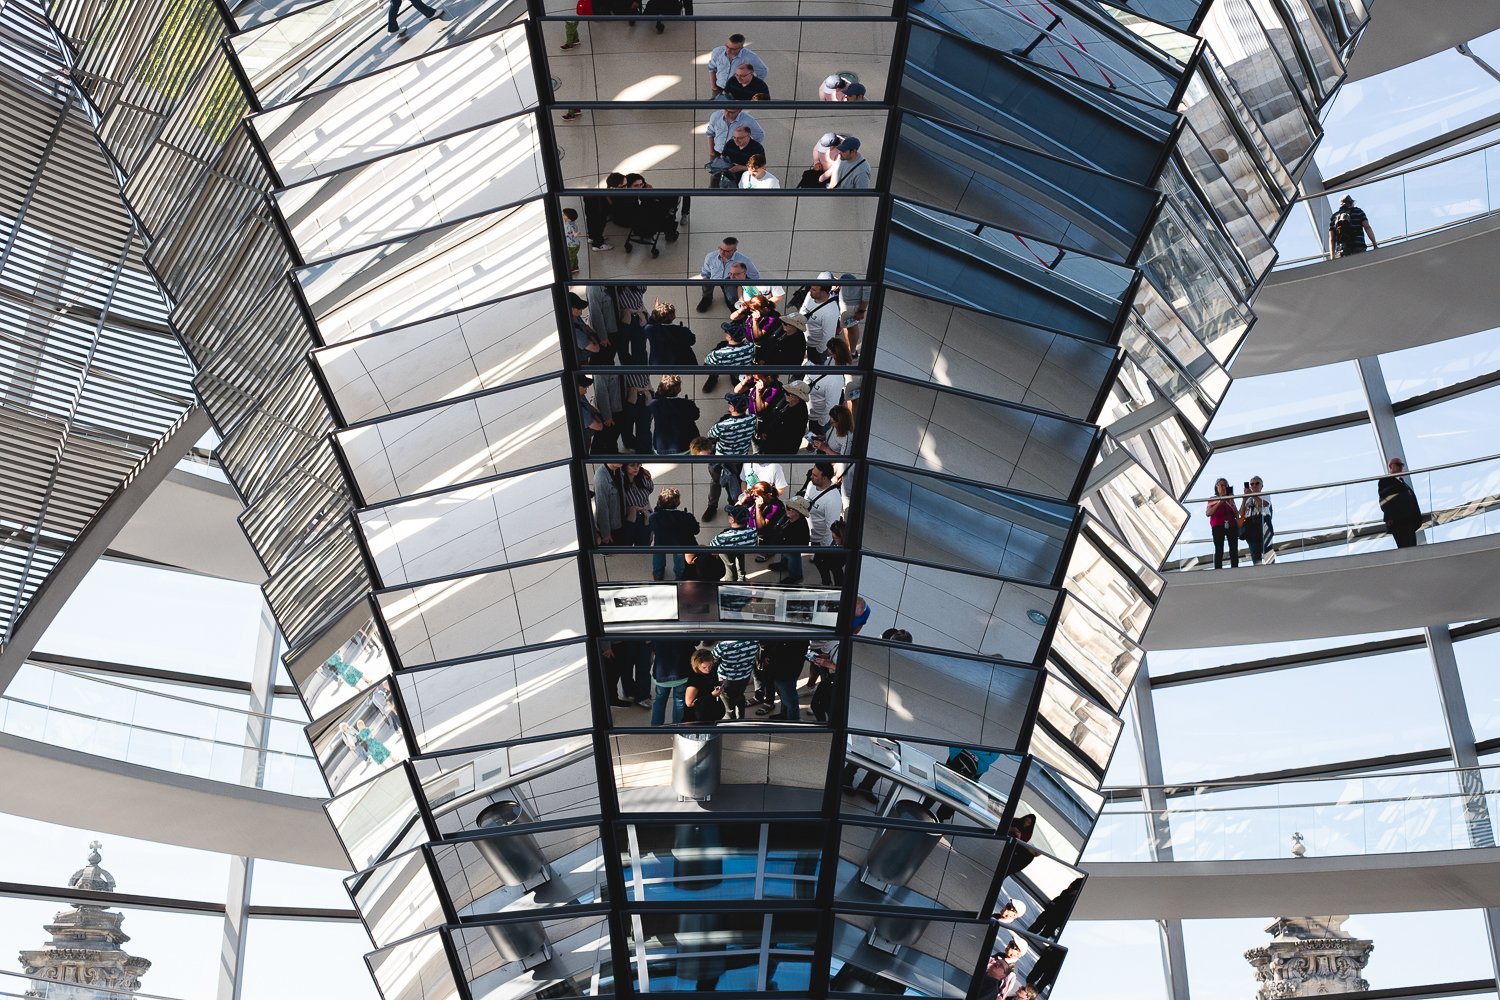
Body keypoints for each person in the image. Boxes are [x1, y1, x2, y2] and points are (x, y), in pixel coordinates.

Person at [803, 461, 844, 585]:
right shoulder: (811, 484)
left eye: (815, 475)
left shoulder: (833, 500)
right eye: (812, 473)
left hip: (822, 541)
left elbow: (830, 528)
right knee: (819, 563)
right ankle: (826, 581)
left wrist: (823, 549)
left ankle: (833, 585)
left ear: (825, 478)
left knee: (828, 565)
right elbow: (805, 503)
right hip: (813, 537)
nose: (811, 477)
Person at [697, 237, 761, 313]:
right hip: (713, 279)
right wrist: (706, 280)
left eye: (726, 251)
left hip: (730, 281)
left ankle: (731, 305)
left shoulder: (744, 260)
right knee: (706, 282)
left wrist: (741, 282)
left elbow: (755, 276)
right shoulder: (710, 257)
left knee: (731, 298)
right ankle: (707, 298)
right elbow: (705, 273)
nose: (722, 252)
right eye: (720, 248)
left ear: (734, 251)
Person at [648, 487, 700, 580]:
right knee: (679, 558)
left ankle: (658, 574)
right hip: (679, 543)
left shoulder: (654, 517)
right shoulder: (686, 516)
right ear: (678, 502)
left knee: (658, 553)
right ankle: (679, 577)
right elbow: (696, 531)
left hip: (661, 542)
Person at [758, 637, 810, 720]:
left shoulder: (797, 637)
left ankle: (793, 720)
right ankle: (784, 715)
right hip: (780, 668)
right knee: (784, 695)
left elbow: (788, 652)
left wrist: (770, 655)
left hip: (786, 671)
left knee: (789, 698)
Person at [1378, 456, 1423, 548]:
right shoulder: (1385, 481)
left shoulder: (1402, 482)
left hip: (1409, 521)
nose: (1401, 467)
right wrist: (1391, 518)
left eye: (1402, 465)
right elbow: (1385, 500)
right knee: (1405, 548)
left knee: (1412, 548)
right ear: (1390, 467)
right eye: (1398, 464)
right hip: (1399, 522)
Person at [648, 375, 700, 454]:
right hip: (686, 447)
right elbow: (696, 416)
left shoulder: (655, 404)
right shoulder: (688, 404)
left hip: (661, 449)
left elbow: (656, 397)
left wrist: (660, 391)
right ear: (679, 389)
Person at [759, 380, 811, 454]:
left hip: (781, 449)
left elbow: (788, 436)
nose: (785, 394)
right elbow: (772, 414)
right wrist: (765, 430)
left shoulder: (800, 414)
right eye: (785, 391)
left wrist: (769, 436)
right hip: (769, 442)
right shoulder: (785, 400)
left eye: (788, 393)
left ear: (797, 397)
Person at [713, 638, 759, 719]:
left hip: (726, 680)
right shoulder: (755, 640)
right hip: (745, 676)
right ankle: (741, 717)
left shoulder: (723, 645)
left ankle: (731, 720)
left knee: (728, 702)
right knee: (740, 695)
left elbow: (712, 657)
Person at [650, 640, 693, 726]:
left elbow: (653, 647)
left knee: (659, 701)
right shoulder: (684, 629)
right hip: (681, 672)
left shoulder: (658, 630)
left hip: (661, 673)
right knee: (679, 701)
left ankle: (656, 725)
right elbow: (695, 641)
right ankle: (676, 726)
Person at [710, 504, 758, 581]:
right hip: (743, 548)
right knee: (739, 552)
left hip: (728, 551)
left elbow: (712, 550)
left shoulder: (722, 537)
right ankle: (741, 578)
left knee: (729, 565)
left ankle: (731, 582)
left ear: (731, 520)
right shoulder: (753, 531)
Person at [800, 282, 843, 362]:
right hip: (803, 341)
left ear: (823, 292)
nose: (810, 290)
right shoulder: (810, 295)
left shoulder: (831, 312)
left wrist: (819, 351)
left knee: (813, 371)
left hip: (815, 347)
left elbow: (828, 336)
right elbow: (802, 311)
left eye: (814, 290)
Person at [645, 300, 697, 365]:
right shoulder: (682, 330)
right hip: (683, 365)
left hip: (659, 367)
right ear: (673, 317)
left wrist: (655, 312)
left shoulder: (651, 330)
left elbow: (651, 322)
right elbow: (692, 341)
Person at [1328, 193, 1376, 258]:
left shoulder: (1334, 216)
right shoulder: (1358, 211)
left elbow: (1332, 238)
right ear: (1351, 202)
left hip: (1342, 249)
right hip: (1359, 246)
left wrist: (1332, 256)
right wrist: (1374, 244)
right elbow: (1367, 227)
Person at [684, 648, 725, 723]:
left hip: (712, 711)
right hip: (701, 717)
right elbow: (689, 703)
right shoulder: (694, 681)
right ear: (697, 666)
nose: (708, 669)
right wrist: (712, 695)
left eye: (710, 665)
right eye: (704, 667)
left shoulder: (711, 670)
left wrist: (719, 683)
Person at [1239, 476, 1273, 565]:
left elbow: (1263, 504)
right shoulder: (1248, 498)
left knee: (1267, 550)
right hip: (1251, 526)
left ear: (1262, 485)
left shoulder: (1265, 494)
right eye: (1252, 484)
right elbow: (1241, 513)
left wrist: (1252, 495)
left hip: (1263, 522)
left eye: (1257, 483)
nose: (1254, 485)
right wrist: (1244, 498)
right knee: (1255, 554)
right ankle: (1258, 571)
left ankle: (1272, 570)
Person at [1207, 477, 1240, 569]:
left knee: (1233, 548)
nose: (1224, 487)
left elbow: (1237, 515)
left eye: (1226, 485)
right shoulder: (1213, 499)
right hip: (1218, 526)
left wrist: (1231, 501)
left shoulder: (1230, 499)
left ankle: (1235, 568)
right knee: (1219, 548)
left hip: (1231, 525)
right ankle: (1218, 569)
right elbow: (1208, 513)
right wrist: (1220, 502)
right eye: (1221, 485)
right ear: (1217, 487)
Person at [620, 462, 654, 546]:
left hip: (645, 515)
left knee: (644, 545)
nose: (636, 468)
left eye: (638, 465)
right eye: (632, 465)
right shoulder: (620, 482)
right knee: (627, 543)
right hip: (630, 517)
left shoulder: (643, 478)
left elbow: (650, 489)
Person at [592, 462, 625, 543]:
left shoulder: (618, 468)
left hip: (621, 520)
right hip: (613, 527)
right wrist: (605, 534)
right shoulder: (601, 479)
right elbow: (602, 508)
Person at [569, 292, 606, 364]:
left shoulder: (576, 317)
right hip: (585, 362)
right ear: (571, 309)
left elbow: (586, 328)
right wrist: (591, 335)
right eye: (579, 309)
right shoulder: (574, 330)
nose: (581, 312)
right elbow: (595, 348)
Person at [561, 207, 583, 273]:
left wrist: (576, 234)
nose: (562, 215)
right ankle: (575, 267)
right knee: (573, 256)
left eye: (564, 215)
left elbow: (574, 233)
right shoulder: (568, 221)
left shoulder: (571, 225)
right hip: (573, 244)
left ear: (569, 218)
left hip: (572, 245)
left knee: (570, 257)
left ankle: (570, 269)